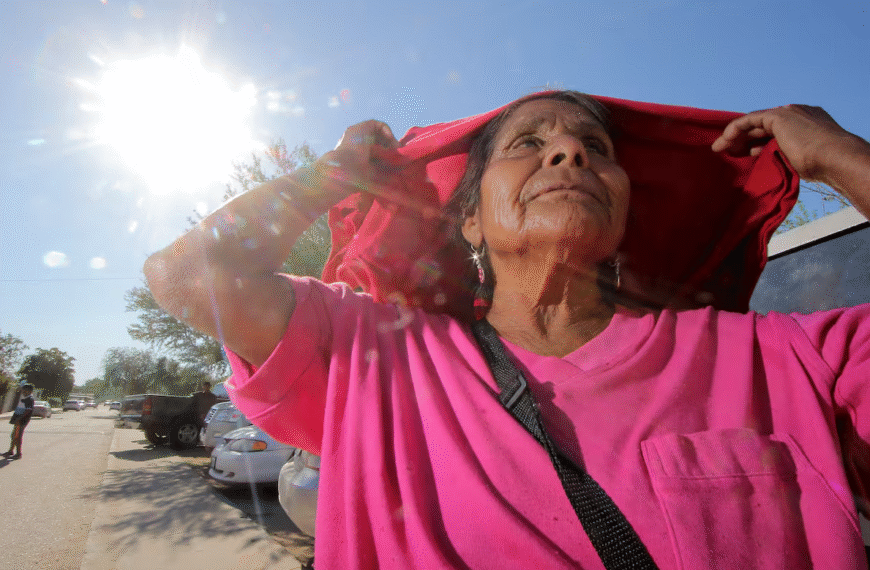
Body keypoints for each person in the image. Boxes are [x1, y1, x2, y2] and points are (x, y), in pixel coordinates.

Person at [144, 90, 870, 569]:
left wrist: (839, 154)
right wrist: (329, 176)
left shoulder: (785, 357)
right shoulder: (375, 355)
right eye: (528, 143)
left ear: (621, 217)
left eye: (597, 148)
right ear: (470, 221)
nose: (570, 152)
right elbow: (186, 278)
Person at [3, 383, 34, 460]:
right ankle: (10, 451)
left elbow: (28, 410)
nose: (22, 391)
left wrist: (19, 418)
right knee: (14, 435)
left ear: (29, 391)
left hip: (22, 420)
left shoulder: (29, 399)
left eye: (24, 390)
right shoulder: (25, 397)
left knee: (18, 436)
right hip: (18, 418)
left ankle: (18, 453)